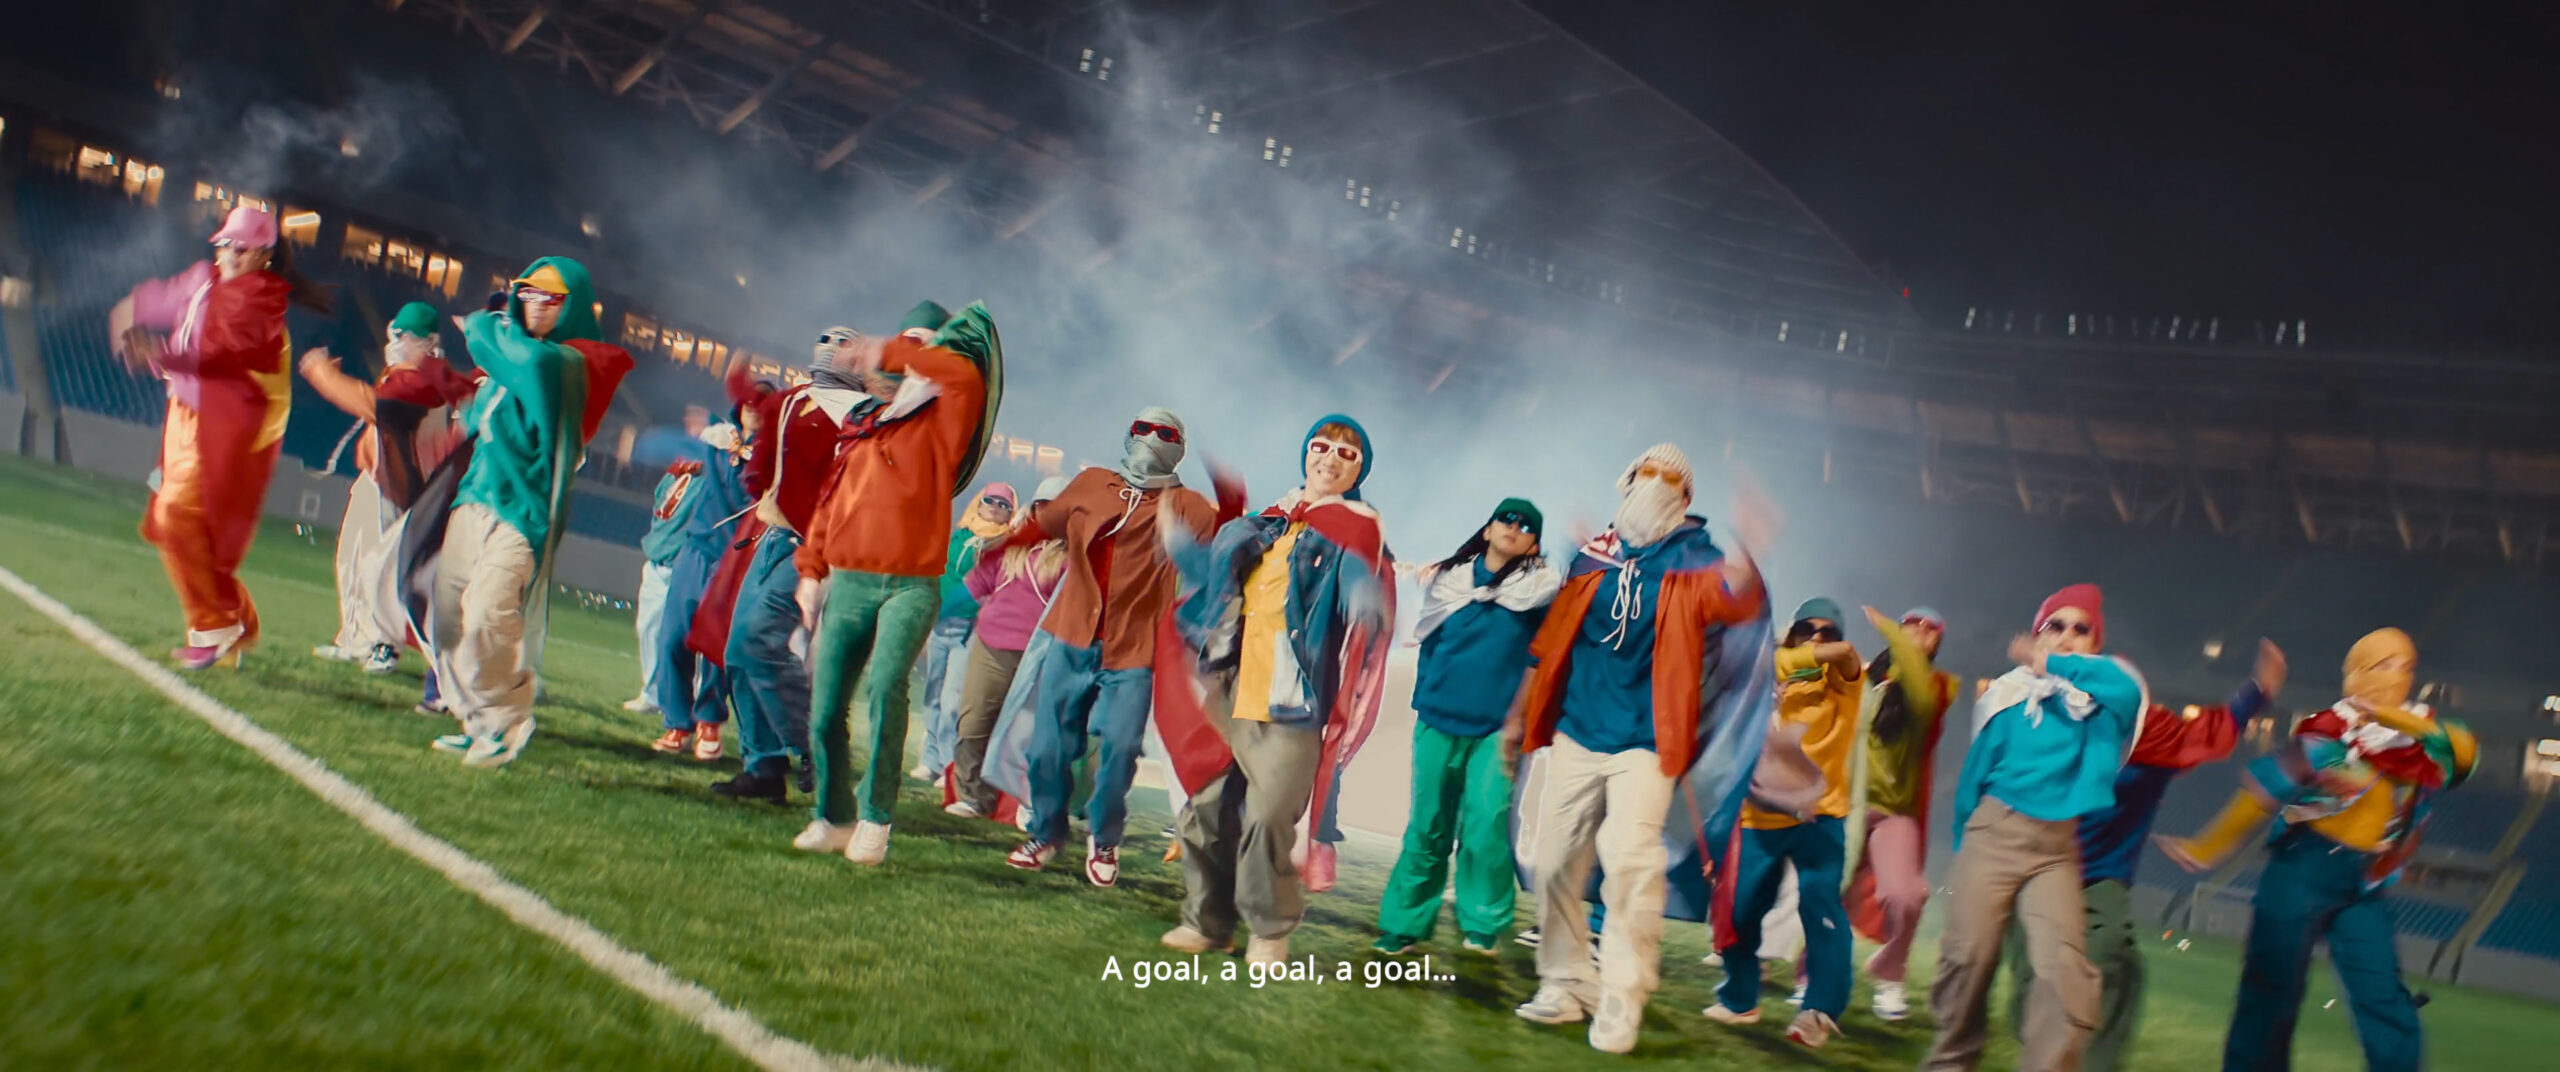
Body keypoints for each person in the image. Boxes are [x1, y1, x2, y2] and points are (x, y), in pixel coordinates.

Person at [1504, 443, 1774, 1055]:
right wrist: (1520, 718)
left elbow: (1733, 603)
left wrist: (1750, 555)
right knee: (1553, 861)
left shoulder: (1694, 560)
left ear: (1685, 499)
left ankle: (1622, 999)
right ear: (1625, 482)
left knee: (1630, 865)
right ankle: (1565, 982)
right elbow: (1551, 640)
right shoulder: (1592, 556)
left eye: (1669, 478)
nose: (1654, 483)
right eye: (1645, 473)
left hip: (1647, 741)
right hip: (1578, 728)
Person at [2156, 628, 2474, 1072]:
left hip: (2364, 883)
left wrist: (2394, 718)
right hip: (2302, 869)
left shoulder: (2421, 739)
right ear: (2359, 670)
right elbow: (2265, 789)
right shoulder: (2329, 733)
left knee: (2384, 998)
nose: (2398, 676)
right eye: (2384, 664)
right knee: (2271, 991)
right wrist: (2207, 846)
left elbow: (2463, 754)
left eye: (2406, 666)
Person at [1153, 415, 1395, 965]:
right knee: (1206, 810)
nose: (1330, 458)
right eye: (1322, 446)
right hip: (1231, 687)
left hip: (1291, 700)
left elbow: (1358, 574)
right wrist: (1178, 543)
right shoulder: (1267, 521)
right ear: (1306, 453)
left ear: (1358, 471)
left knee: (1268, 819)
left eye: (1347, 454)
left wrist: (1363, 600)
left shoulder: (1356, 528)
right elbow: (1215, 575)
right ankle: (1207, 922)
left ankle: (1268, 928)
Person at [2004, 639, 2283, 1072]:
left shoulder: (2153, 734)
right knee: (2035, 983)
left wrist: (2256, 691)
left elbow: (2210, 731)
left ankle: (2090, 1063)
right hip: (2035, 869)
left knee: (2111, 958)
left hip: (2102, 875)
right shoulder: (2045, 722)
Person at [790, 301, 1000, 866]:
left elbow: (961, 373)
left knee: (886, 689)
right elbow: (831, 502)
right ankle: (832, 815)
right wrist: (810, 570)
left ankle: (875, 818)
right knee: (825, 708)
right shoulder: (865, 423)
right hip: (850, 582)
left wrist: (889, 347)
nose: (911, 355)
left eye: (923, 345)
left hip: (910, 584)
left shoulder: (946, 416)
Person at [995, 407, 1238, 886]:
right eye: (1142, 428)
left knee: (1121, 748)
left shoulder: (1184, 505)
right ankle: (1046, 833)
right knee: (1048, 747)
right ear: (1128, 434)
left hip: (1134, 648)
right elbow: (1048, 520)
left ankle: (1104, 837)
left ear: (1178, 448)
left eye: (1164, 433)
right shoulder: (1093, 484)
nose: (1150, 438)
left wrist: (1230, 494)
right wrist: (1007, 542)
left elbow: (1225, 541)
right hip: (1072, 636)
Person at [411, 258, 632, 767]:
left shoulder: (572, 363)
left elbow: (506, 350)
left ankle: (504, 720)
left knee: (488, 612)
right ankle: (475, 719)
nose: (535, 305)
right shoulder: (511, 356)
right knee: (447, 618)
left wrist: (483, 324)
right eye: (527, 293)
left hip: (523, 512)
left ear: (573, 307)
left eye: (551, 298)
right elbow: (483, 407)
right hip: (475, 498)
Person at [1925, 584, 2146, 1072]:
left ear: (2095, 643)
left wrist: (2054, 664)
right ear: (2037, 632)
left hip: (2055, 851)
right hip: (1993, 834)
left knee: (2063, 972)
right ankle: (1948, 1064)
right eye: (2054, 626)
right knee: (1967, 960)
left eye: (2080, 629)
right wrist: (1964, 845)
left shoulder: (2102, 700)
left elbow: (2127, 689)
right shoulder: (2008, 694)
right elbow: (1975, 776)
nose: (2066, 636)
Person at [106, 203, 332, 670]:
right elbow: (164, 298)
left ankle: (213, 625)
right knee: (178, 528)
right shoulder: (202, 279)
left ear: (264, 255)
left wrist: (160, 354)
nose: (230, 253)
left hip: (222, 425)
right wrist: (131, 309)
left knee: (175, 515)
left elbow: (221, 357)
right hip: (182, 415)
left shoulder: (261, 302)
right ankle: (236, 621)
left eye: (242, 247)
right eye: (226, 243)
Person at [1373, 498, 1558, 956]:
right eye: (1506, 519)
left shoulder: (1539, 592)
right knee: (1427, 826)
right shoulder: (1449, 582)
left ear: (1534, 544)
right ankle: (1404, 925)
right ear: (1488, 528)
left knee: (1486, 827)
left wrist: (1518, 723)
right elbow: (1430, 640)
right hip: (1438, 719)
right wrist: (1426, 698)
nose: (1513, 527)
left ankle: (1483, 924)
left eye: (1526, 526)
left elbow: (1539, 661)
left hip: (1497, 730)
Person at [707, 330, 885, 804]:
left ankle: (814, 745)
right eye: (827, 338)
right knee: (738, 652)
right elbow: (758, 409)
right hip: (774, 536)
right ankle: (762, 767)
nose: (829, 344)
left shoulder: (864, 414)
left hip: (814, 545)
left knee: (758, 640)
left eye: (843, 342)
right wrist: (737, 380)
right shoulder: (795, 399)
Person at [1705, 598, 1862, 1048]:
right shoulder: (1764, 678)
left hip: (1820, 814)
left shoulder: (1842, 681)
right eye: (1807, 629)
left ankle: (1819, 1010)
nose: (1818, 638)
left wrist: (1788, 657)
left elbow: (1846, 655)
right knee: (1738, 912)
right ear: (1792, 632)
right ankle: (1740, 999)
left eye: (1828, 631)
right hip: (1761, 813)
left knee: (1820, 906)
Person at [300, 301, 478, 675]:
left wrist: (321, 372)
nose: (396, 342)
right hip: (377, 478)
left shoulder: (423, 380)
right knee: (351, 558)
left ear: (428, 343)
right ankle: (355, 638)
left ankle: (385, 645)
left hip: (401, 486)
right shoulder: (406, 373)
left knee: (381, 567)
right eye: (394, 333)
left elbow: (371, 405)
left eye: (406, 336)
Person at [1838, 607, 1960, 1023]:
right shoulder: (1863, 678)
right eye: (1912, 624)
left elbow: (1922, 698)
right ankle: (1810, 976)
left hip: (1892, 811)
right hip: (1847, 804)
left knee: (1907, 895)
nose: (1919, 632)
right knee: (1825, 888)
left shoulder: (1936, 686)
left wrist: (1893, 632)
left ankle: (1890, 974)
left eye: (1930, 629)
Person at [943, 475, 1070, 819]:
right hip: (991, 646)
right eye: (1043, 506)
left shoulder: (1074, 558)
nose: (1049, 513)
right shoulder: (1009, 547)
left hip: (1040, 656)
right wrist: (934, 612)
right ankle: (973, 797)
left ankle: (1028, 804)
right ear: (1034, 508)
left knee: (1029, 734)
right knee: (973, 721)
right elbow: (974, 585)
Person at [640, 418, 750, 760]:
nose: (753, 408)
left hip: (733, 558)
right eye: (749, 402)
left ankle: (709, 721)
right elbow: (661, 444)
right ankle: (677, 722)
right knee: (672, 637)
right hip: (696, 551)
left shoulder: (771, 453)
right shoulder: (714, 446)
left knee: (715, 643)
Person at [912, 483, 1017, 781]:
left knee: (952, 700)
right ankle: (931, 760)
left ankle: (949, 766)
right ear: (979, 503)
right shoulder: (959, 537)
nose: (995, 507)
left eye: (1004, 505)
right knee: (933, 694)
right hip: (941, 623)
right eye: (990, 500)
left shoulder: (1005, 545)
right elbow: (942, 573)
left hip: (970, 630)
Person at [627, 405, 713, 715]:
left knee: (687, 636)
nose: (691, 424)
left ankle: (692, 701)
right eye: (689, 418)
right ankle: (652, 693)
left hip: (687, 564)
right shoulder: (679, 468)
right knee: (648, 627)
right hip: (659, 559)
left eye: (699, 418)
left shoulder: (713, 469)